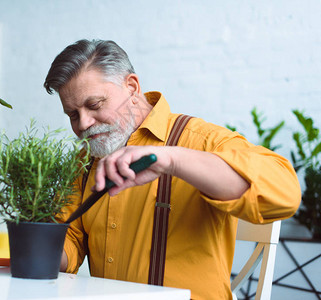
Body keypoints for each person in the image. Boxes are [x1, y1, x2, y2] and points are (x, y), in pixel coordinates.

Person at [43, 39, 301, 299]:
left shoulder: (200, 141)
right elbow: (71, 239)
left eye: (95, 105)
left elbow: (285, 194)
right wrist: (36, 249)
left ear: (132, 87)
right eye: (72, 115)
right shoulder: (85, 163)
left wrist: (172, 160)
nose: (84, 124)